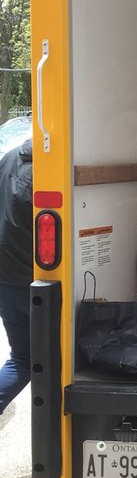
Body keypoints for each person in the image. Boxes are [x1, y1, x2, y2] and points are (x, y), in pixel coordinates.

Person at [0, 137, 33, 416]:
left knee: (22, 358)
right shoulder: (50, 170)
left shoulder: (10, 156)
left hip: (6, 275)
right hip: (32, 281)